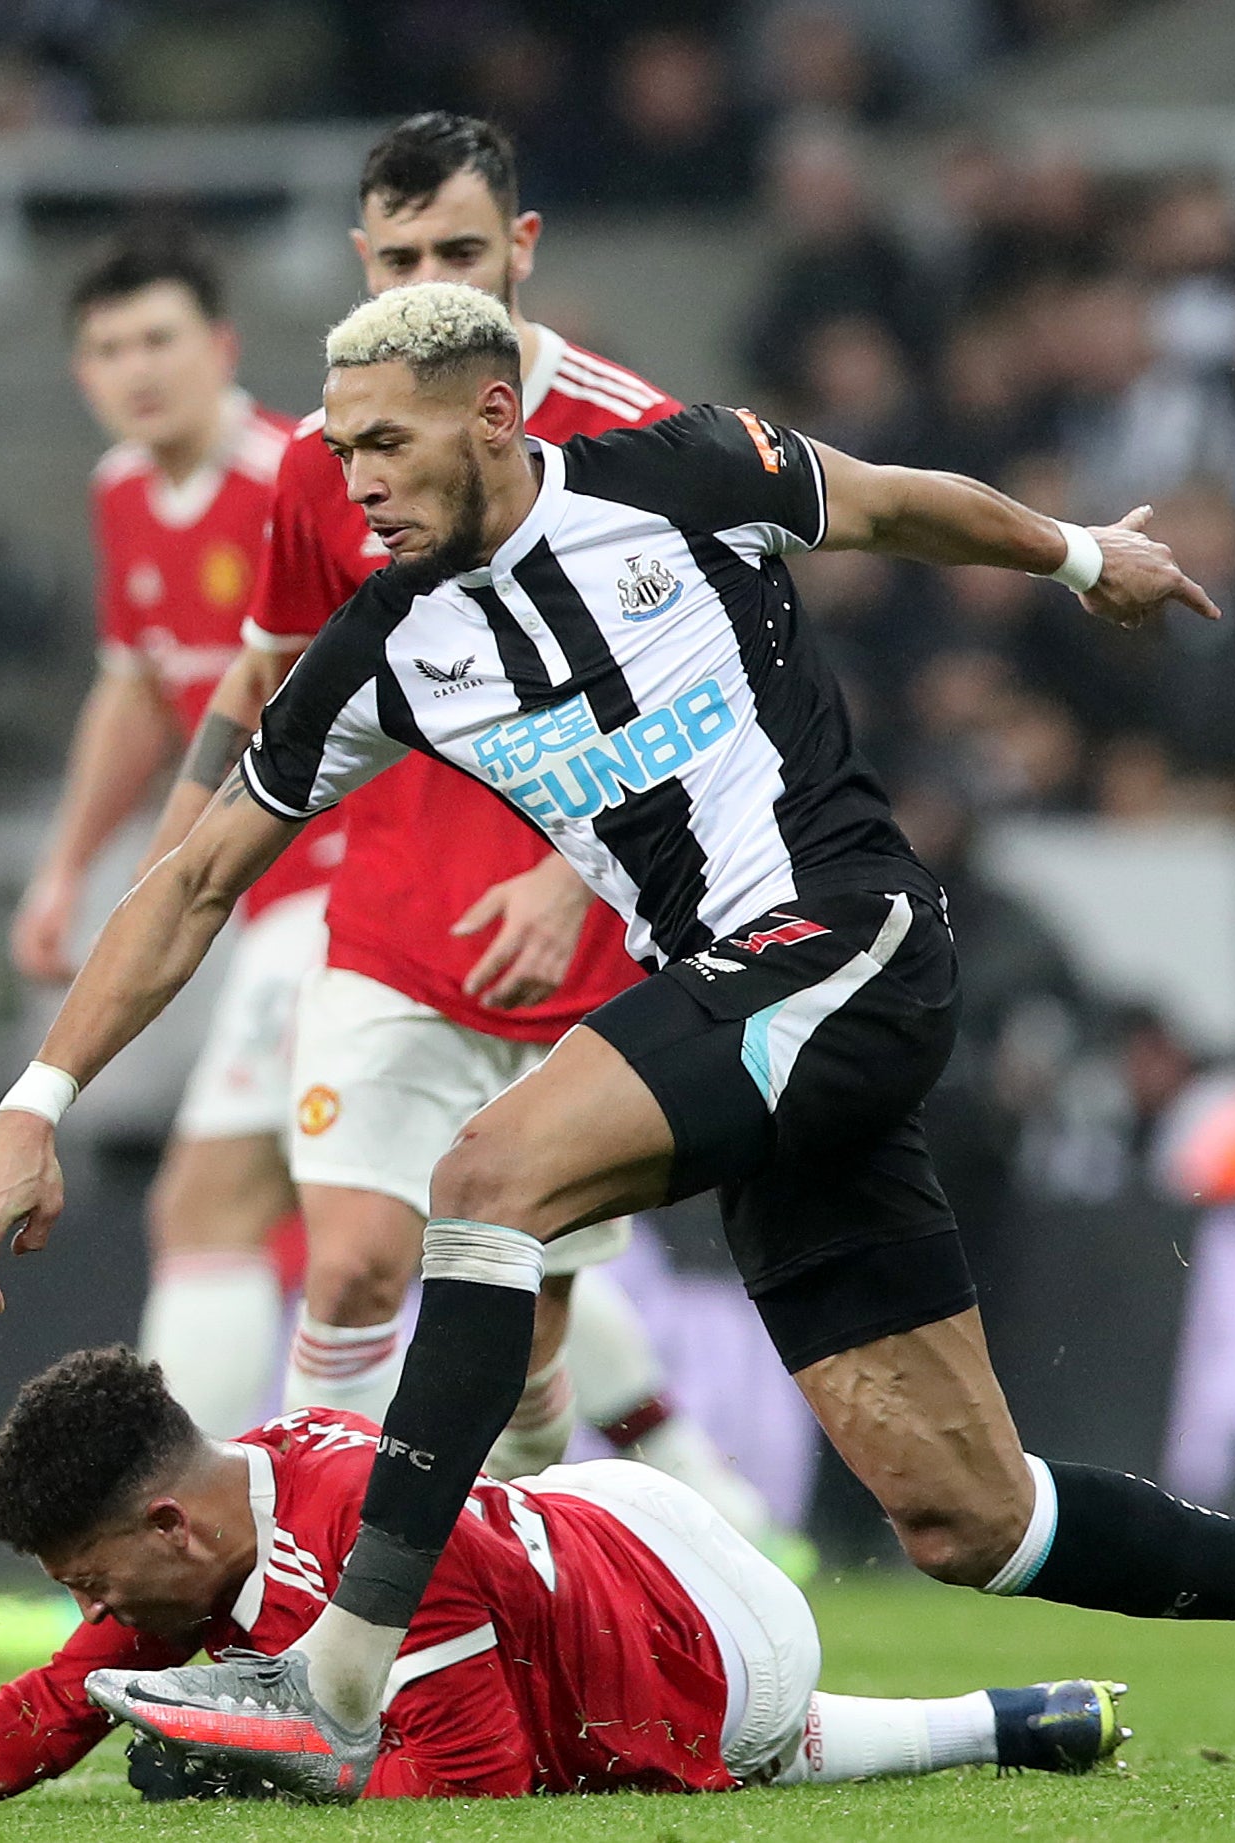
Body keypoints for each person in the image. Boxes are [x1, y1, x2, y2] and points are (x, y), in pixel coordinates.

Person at [0, 282, 1235, 1797]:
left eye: (385, 437)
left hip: (841, 936)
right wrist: (36, 1097)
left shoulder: (673, 471)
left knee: (484, 1171)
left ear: (494, 414)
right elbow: (197, 874)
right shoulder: (382, 647)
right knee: (965, 1515)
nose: (350, 475)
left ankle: (342, 1670)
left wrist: (1079, 556)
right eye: (337, 444)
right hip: (758, 1032)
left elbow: (888, 500)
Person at [142, 110, 790, 1539]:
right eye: (401, 254)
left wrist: (576, 876)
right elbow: (267, 670)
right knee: (354, 1265)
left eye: (461, 249)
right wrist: (173, 849)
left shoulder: (631, 433)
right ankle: (293, 1578)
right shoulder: (334, 449)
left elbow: (725, 694)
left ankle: (557, 1572)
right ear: (359, 258)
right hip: (379, 921)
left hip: (582, 946)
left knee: (528, 1334)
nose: (431, 275)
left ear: (523, 249)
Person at [0, 1347, 1128, 1807]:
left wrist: (263, 1774)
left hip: (727, 1628)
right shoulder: (218, 1523)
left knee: (708, 1743)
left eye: (94, 1579)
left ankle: (978, 1716)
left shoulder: (369, 1550)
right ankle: (1013, 1719)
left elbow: (475, 1785)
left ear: (167, 1524)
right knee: (396, 1678)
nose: (95, 1616)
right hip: (596, 1519)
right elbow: (62, 1699)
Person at [7, 223, 336, 1437]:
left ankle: (164, 1520)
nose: (136, 368)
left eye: (159, 338)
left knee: (210, 1204)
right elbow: (140, 691)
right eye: (106, 348)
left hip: (345, 892)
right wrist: (66, 869)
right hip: (267, 900)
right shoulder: (123, 495)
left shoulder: (298, 477)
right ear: (82, 374)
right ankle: (695, 1475)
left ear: (222, 347)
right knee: (439, 1210)